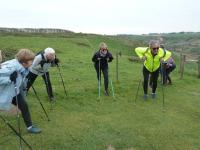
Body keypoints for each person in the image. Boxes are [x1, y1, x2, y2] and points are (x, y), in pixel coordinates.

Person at [0, 49, 42, 133]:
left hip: (14, 92)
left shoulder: (22, 67)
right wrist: (9, 79)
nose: (32, 63)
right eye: (31, 61)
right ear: (24, 62)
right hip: (4, 93)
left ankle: (30, 127)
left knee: (24, 106)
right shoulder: (12, 67)